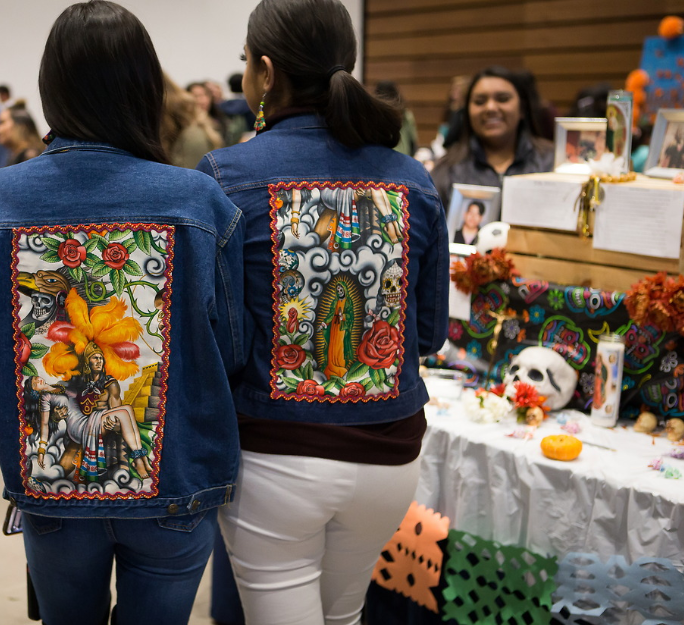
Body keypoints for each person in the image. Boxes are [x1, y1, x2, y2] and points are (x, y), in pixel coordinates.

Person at [0, 3, 246, 624]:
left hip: (49, 481)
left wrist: (16, 452)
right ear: (146, 88)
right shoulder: (197, 199)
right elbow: (231, 349)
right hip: (177, 482)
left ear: (50, 88)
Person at [196, 1, 448, 623]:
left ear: (264, 71)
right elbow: (430, 334)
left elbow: (221, 342)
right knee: (344, 617)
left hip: (276, 454)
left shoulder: (226, 174)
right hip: (389, 456)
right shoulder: (411, 178)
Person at [431, 65, 554, 208]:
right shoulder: (446, 170)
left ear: (522, 108)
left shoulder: (552, 162)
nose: (490, 108)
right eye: (479, 101)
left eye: (502, 99)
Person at [162, 74, 223, 168]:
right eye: (196, 96)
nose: (202, 100)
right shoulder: (182, 125)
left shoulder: (219, 121)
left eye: (205, 95)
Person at [374, 80, 417, 157]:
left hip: (381, 157)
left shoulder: (374, 114)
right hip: (403, 156)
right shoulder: (406, 114)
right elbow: (412, 141)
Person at [220, 72, 256, 145]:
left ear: (230, 86)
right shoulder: (252, 105)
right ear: (244, 84)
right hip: (249, 141)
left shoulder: (221, 106)